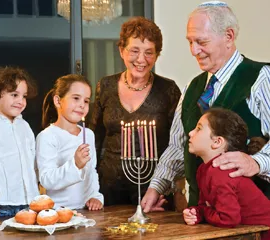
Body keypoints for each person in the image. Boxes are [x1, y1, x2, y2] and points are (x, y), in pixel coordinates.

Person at [142, 1, 270, 211]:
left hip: (249, 220)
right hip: (200, 215)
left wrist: (256, 163)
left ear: (228, 36)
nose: (194, 50)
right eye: (190, 42)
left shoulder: (261, 78)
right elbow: (177, 146)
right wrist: (156, 187)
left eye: (201, 42)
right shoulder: (192, 88)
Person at [89, 16, 181, 207]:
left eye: (149, 52)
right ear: (122, 50)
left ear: (156, 55)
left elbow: (177, 143)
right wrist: (91, 188)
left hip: (154, 191)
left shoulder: (168, 89)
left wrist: (168, 186)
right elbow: (94, 137)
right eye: (134, 51)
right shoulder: (105, 86)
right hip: (108, 189)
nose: (141, 59)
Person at [183, 108, 270, 240]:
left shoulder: (221, 172)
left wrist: (204, 213)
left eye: (199, 129)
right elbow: (207, 205)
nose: (190, 133)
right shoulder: (204, 169)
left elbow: (228, 219)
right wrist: (196, 213)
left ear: (217, 142)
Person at [36, 74, 103, 210]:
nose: (81, 105)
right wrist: (76, 165)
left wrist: (95, 196)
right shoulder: (47, 136)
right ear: (58, 101)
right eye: (76, 98)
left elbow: (92, 171)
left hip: (87, 211)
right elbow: (47, 180)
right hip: (59, 213)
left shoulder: (88, 134)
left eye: (86, 101)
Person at [0, 66, 39, 219]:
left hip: (29, 203)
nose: (21, 101)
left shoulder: (25, 127)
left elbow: (32, 162)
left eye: (24, 96)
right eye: (14, 95)